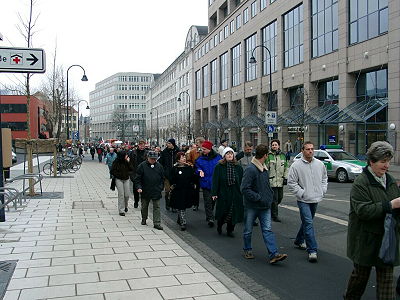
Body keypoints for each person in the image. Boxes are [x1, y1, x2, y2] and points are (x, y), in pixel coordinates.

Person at [344, 141, 400, 299]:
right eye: (383, 162)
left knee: (386, 283)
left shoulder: (389, 181)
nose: (387, 166)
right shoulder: (361, 183)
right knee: (360, 278)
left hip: (387, 240)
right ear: (371, 161)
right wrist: (390, 205)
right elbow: (363, 211)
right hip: (365, 241)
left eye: (388, 161)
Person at [240, 144, 288, 264]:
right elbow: (244, 188)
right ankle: (247, 249)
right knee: (248, 230)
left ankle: (273, 254)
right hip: (252, 206)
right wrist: (258, 197)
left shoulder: (264, 167)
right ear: (265, 155)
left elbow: (266, 186)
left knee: (267, 230)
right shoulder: (251, 169)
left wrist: (269, 196)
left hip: (264, 206)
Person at [287, 141, 328, 263]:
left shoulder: (320, 164)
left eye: (312, 149)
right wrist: (301, 193)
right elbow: (292, 182)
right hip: (303, 199)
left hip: (315, 198)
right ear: (302, 151)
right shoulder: (296, 165)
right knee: (309, 223)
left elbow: (324, 178)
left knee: (307, 221)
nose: (310, 151)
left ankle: (299, 240)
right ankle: (312, 250)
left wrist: (323, 190)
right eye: (308, 149)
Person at [211, 147, 244, 237]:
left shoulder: (238, 167)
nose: (230, 155)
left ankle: (230, 229)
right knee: (223, 212)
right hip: (223, 193)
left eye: (231, 154)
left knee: (234, 212)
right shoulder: (219, 167)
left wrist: (243, 192)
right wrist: (214, 193)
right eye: (227, 154)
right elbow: (215, 180)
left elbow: (242, 181)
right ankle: (220, 225)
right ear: (224, 156)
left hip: (235, 193)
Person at [134, 151, 165, 230]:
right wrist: (139, 187)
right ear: (147, 158)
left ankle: (157, 223)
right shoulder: (142, 166)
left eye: (155, 159)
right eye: (151, 159)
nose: (153, 161)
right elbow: (137, 178)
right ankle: (144, 218)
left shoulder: (159, 166)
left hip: (156, 189)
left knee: (157, 207)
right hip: (145, 189)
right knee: (144, 206)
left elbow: (162, 178)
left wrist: (161, 187)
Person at [195, 140, 222, 227]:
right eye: (202, 149)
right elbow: (197, 168)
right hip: (205, 182)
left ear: (209, 149)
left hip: (215, 183)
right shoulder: (200, 159)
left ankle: (210, 214)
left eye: (205, 149)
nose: (203, 150)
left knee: (213, 200)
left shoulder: (218, 158)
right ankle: (210, 217)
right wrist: (199, 171)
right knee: (208, 201)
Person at [170, 152, 196, 231]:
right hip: (178, 190)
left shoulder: (188, 167)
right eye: (182, 157)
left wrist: (193, 184)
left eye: (184, 157)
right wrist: (173, 185)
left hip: (187, 189)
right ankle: (183, 222)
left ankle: (180, 218)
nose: (184, 159)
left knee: (183, 206)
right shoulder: (175, 168)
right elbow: (172, 178)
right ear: (178, 160)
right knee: (181, 206)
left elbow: (192, 177)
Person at [266, 139, 288, 222]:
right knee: (275, 199)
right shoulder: (268, 156)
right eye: (273, 145)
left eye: (275, 145)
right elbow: (265, 167)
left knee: (280, 198)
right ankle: (275, 216)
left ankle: (271, 209)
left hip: (280, 181)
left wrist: (285, 177)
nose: (274, 146)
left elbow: (286, 167)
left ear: (278, 146)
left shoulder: (282, 155)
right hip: (271, 181)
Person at [158, 138, 180, 211]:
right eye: (167, 143)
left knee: (174, 191)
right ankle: (168, 204)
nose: (168, 144)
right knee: (167, 191)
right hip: (167, 174)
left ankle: (174, 206)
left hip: (176, 174)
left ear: (173, 144)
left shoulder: (178, 151)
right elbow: (161, 162)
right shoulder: (164, 152)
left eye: (169, 143)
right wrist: (163, 171)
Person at [110, 150, 132, 216]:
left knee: (127, 195)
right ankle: (121, 210)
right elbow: (112, 171)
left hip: (126, 179)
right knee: (121, 194)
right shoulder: (116, 162)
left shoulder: (126, 162)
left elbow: (131, 169)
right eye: (125, 155)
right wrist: (118, 175)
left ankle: (125, 206)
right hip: (118, 179)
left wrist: (127, 173)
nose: (126, 156)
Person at [186, 137, 205, 211]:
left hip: (204, 171)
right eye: (196, 142)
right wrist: (191, 165)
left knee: (206, 189)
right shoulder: (192, 151)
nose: (197, 144)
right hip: (196, 171)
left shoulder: (205, 151)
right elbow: (188, 160)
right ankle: (195, 204)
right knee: (196, 189)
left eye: (199, 142)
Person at [128, 140, 148, 208]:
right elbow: (130, 164)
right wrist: (131, 174)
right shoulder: (133, 153)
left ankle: (143, 203)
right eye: (141, 145)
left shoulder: (147, 153)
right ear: (138, 145)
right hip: (135, 173)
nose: (142, 147)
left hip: (144, 173)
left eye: (143, 146)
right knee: (135, 189)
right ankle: (136, 201)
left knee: (144, 189)